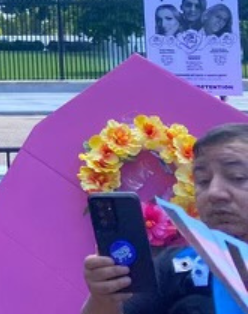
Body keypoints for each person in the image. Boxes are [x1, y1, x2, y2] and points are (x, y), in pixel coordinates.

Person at [81, 123, 248, 314]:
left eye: (238, 177)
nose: (214, 192)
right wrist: (103, 299)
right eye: (202, 180)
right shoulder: (176, 267)